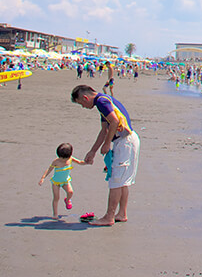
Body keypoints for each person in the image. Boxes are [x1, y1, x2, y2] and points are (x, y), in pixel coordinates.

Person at [71, 84, 140, 226]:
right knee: (122, 181)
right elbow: (104, 130)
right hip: (127, 141)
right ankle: (122, 213)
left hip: (125, 141)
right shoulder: (103, 102)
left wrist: (107, 144)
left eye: (81, 104)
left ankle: (109, 217)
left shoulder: (102, 102)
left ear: (85, 97)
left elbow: (114, 122)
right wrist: (93, 151)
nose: (83, 107)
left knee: (116, 180)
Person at [38, 142, 87, 219]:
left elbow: (80, 162)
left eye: (65, 159)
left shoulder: (71, 159)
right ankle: (55, 214)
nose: (63, 160)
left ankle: (67, 200)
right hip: (56, 182)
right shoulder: (56, 161)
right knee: (56, 198)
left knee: (70, 192)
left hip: (65, 181)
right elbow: (49, 169)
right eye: (61, 158)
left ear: (69, 156)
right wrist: (43, 178)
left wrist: (87, 162)